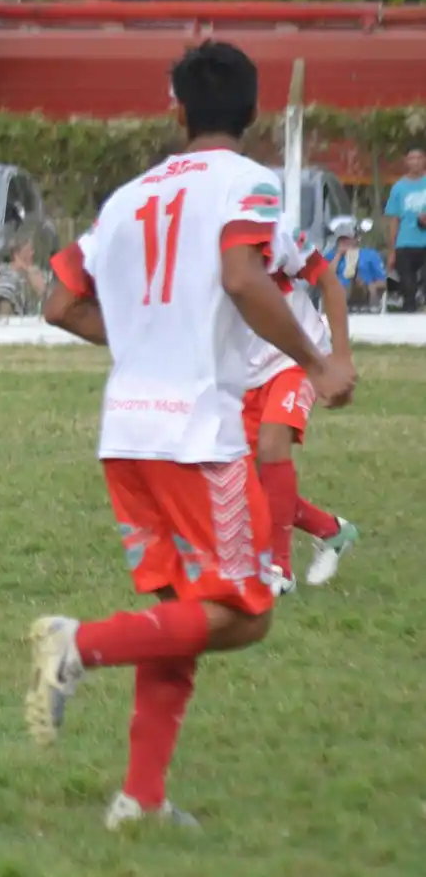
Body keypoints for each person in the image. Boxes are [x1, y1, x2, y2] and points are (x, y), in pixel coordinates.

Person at [33, 41, 355, 830]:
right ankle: (80, 646)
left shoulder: (127, 196)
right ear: (252, 113)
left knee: (183, 612)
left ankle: (141, 798)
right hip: (195, 437)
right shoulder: (248, 181)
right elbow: (245, 276)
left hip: (125, 434)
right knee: (248, 613)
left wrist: (147, 339)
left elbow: (59, 302)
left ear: (176, 109)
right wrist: (317, 360)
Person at [242, 218, 359, 594]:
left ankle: (279, 569)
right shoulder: (189, 252)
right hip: (241, 374)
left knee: (273, 444)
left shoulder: (273, 234)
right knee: (250, 483)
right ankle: (332, 531)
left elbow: (328, 281)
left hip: (298, 358)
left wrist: (339, 359)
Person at [384, 146, 426, 311]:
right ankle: (409, 319)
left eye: (419, 158)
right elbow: (394, 220)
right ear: (406, 162)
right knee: (407, 287)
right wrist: (391, 251)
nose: (415, 162)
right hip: (405, 243)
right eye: (411, 158)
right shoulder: (398, 188)